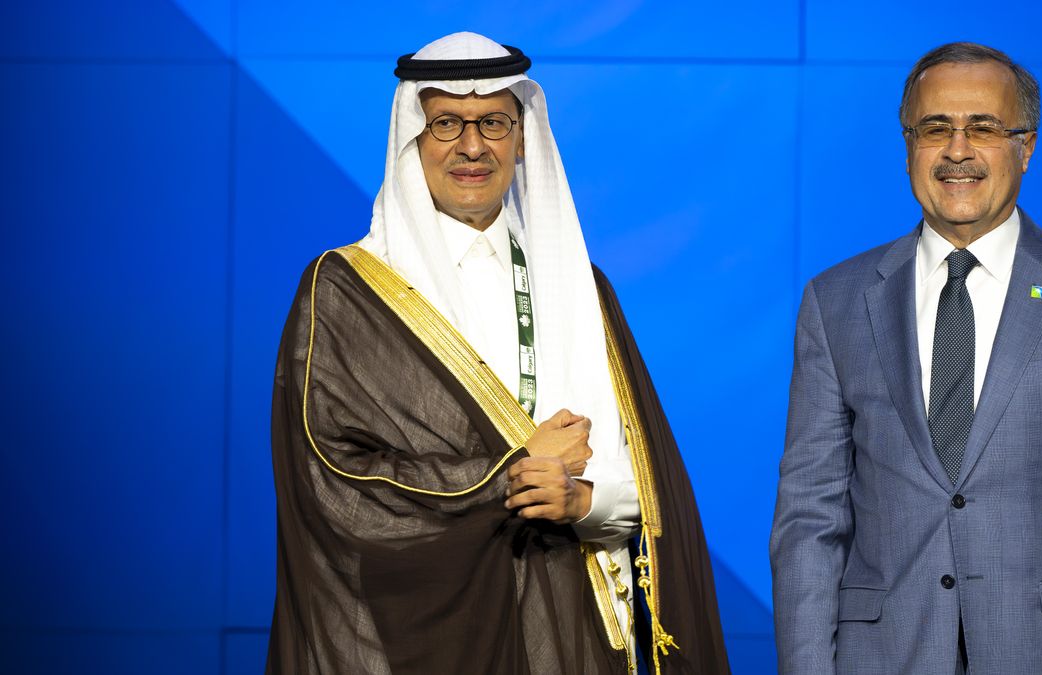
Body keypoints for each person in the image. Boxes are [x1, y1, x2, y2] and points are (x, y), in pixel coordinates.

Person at [266, 32, 728, 675]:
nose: (473, 146)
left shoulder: (580, 287)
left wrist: (581, 501)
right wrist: (509, 474)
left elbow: (649, 488)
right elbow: (331, 482)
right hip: (425, 643)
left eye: (493, 122)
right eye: (447, 123)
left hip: (576, 637)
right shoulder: (347, 291)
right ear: (412, 139)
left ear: (522, 137)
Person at [770, 42, 1042, 675]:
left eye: (983, 128)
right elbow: (809, 520)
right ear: (908, 146)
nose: (957, 150)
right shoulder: (836, 300)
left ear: (1026, 146)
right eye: (936, 129)